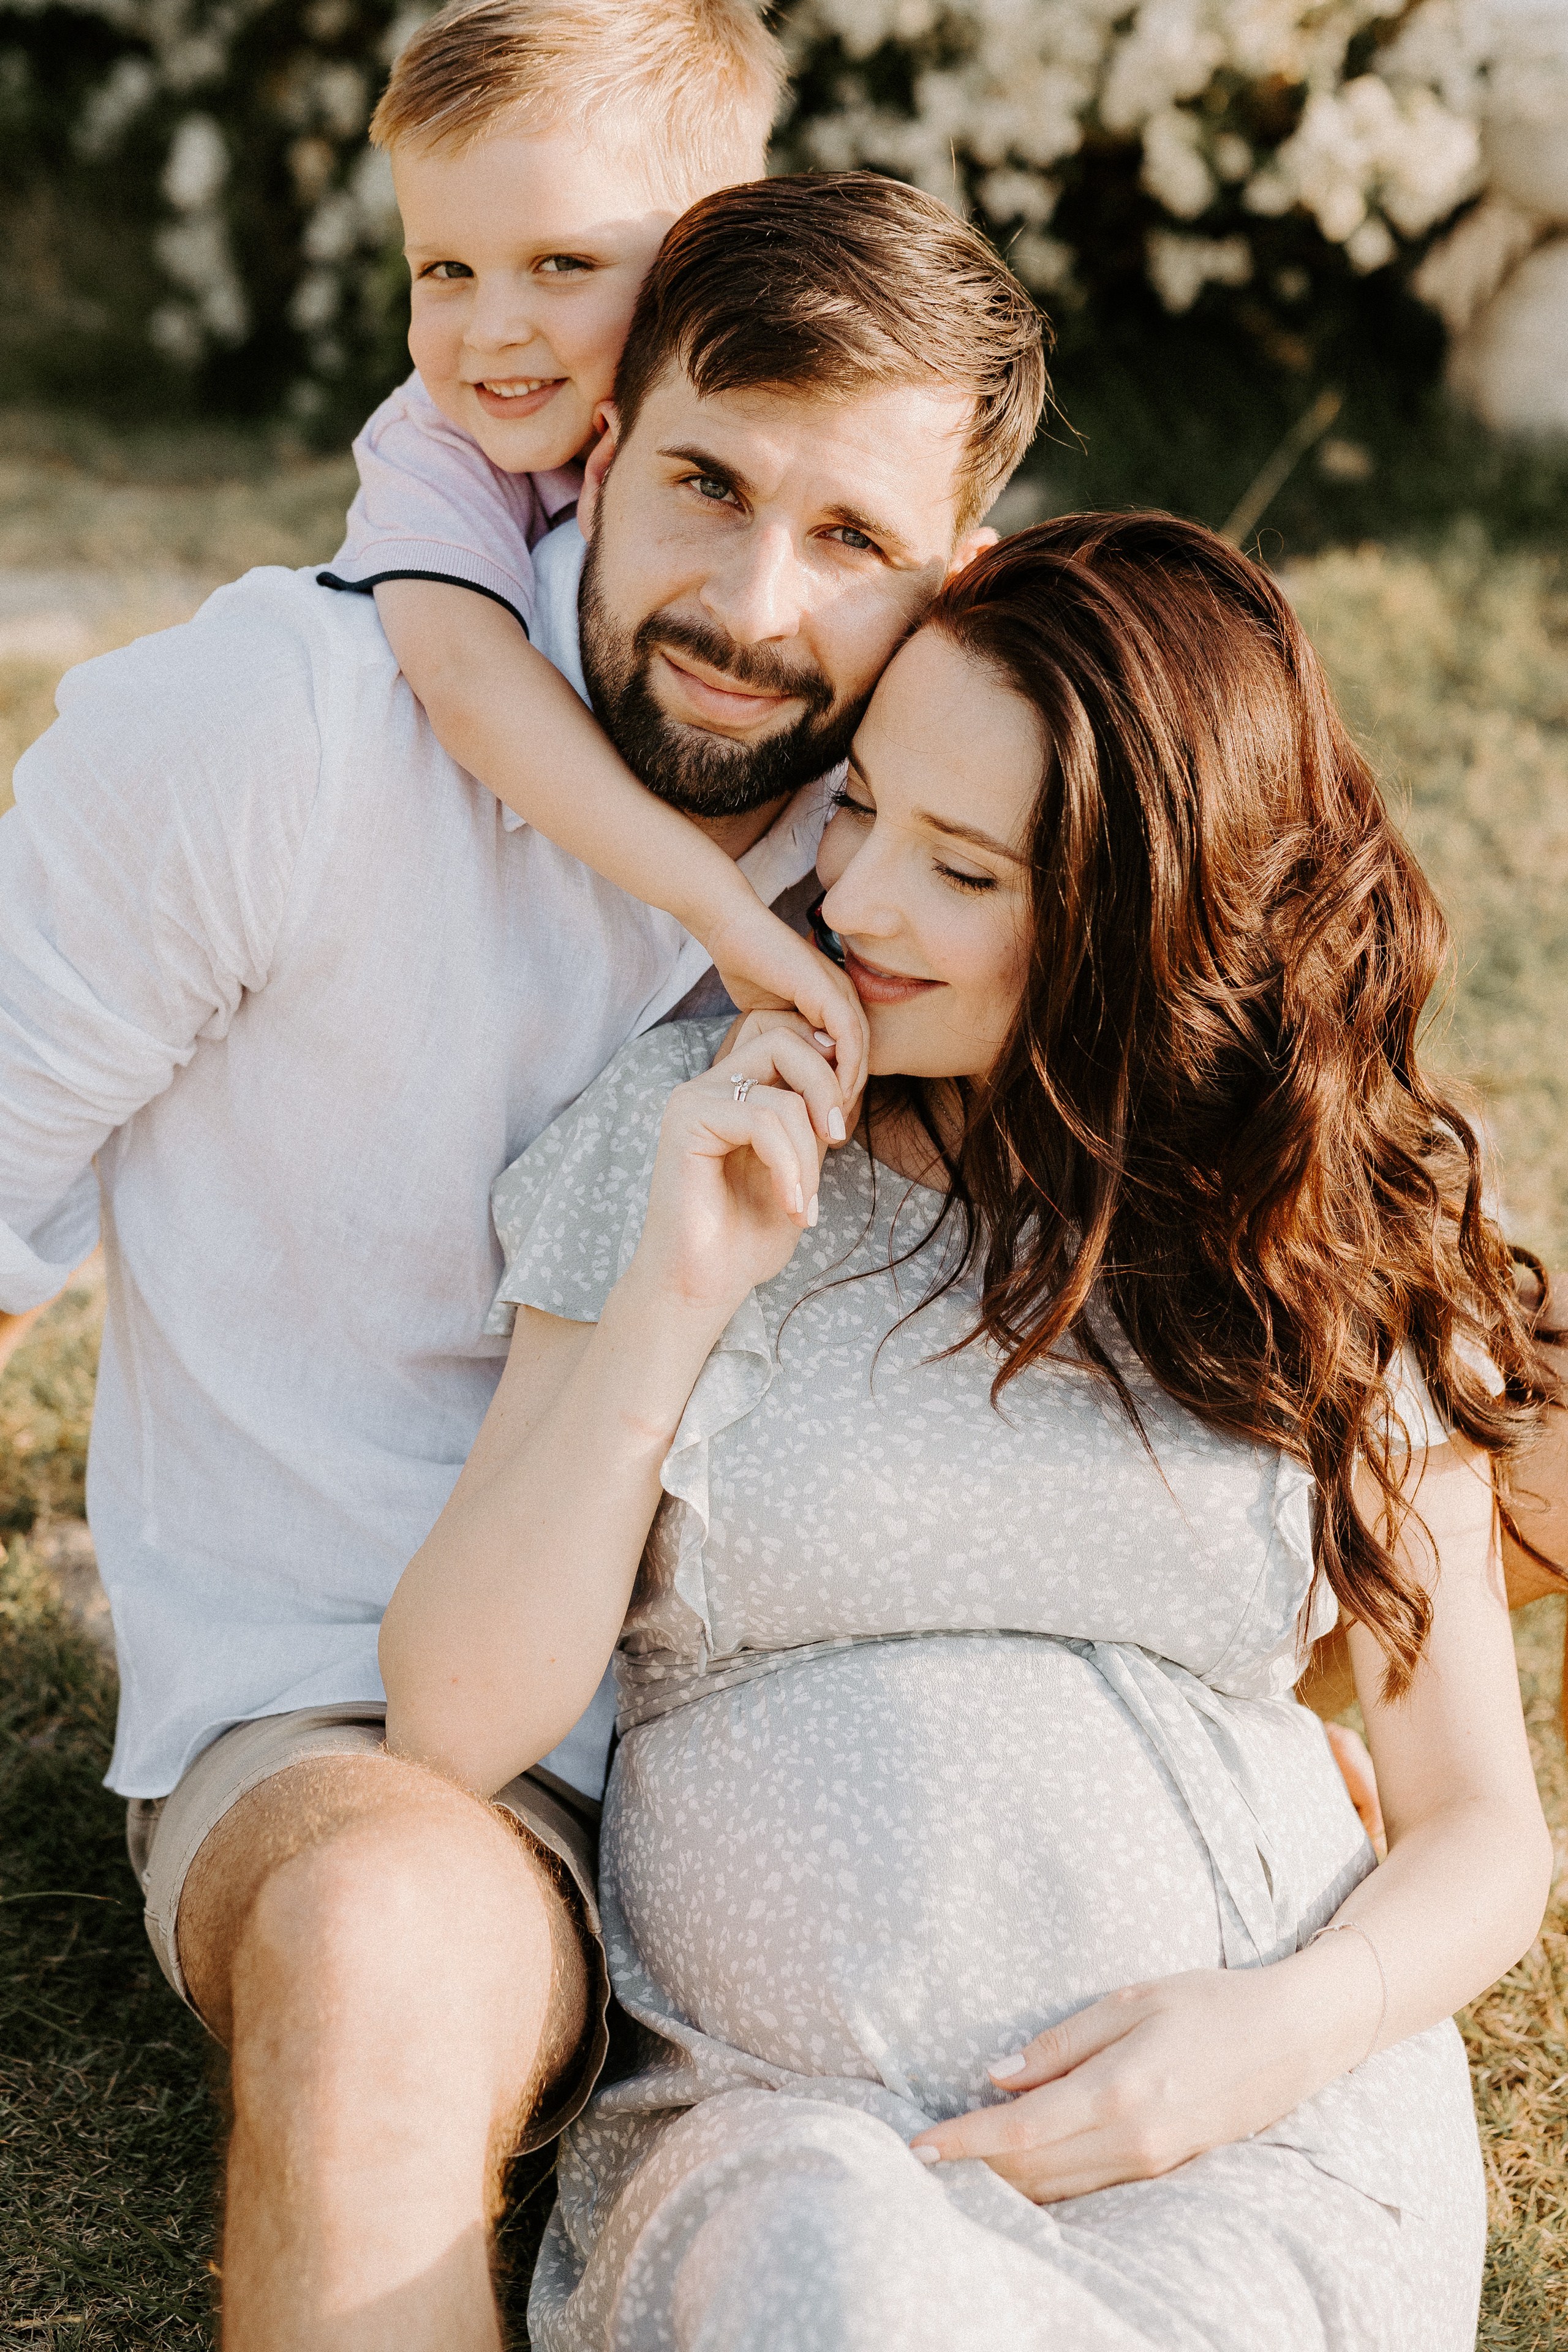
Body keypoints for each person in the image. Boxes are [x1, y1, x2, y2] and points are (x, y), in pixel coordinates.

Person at [0, 179, 1044, 2347]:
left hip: (870, 1728)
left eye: (853, 543)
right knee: (378, 1938)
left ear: (960, 573)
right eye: (706, 485)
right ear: (600, 431)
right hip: (421, 1754)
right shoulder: (273, 736)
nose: (755, 603)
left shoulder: (952, 822)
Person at [382, 513, 1557, 2351]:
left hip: (1252, 2142)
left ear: (1135, 921)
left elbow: (1482, 1823)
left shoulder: (1317, 1232)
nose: (854, 904)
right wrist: (677, 1295)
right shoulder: (692, 1124)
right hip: (801, 2153)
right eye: (857, 809)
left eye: (964, 870)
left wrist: (1279, 2038)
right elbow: (453, 1713)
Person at [318, 0, 869, 1085]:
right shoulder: (437, 446)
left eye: (560, 263)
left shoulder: (785, 413)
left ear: (709, 245)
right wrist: (721, 911)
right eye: (444, 270)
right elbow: (469, 679)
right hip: (523, 978)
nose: (491, 329)